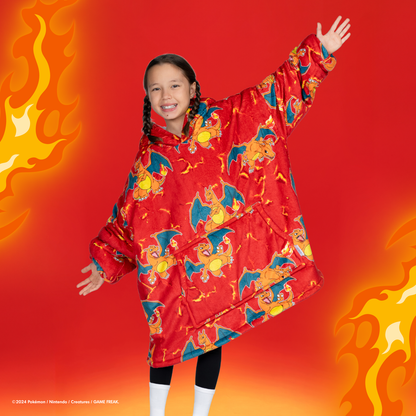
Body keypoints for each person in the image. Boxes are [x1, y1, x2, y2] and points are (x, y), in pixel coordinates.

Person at [77, 16, 351, 416]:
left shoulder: (228, 119)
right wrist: (105, 260)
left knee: (215, 331)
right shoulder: (149, 158)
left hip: (225, 259)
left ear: (192, 89)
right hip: (176, 269)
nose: (166, 95)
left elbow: (273, 97)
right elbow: (128, 213)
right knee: (166, 331)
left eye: (174, 85)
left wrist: (317, 51)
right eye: (156, 88)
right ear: (148, 98)